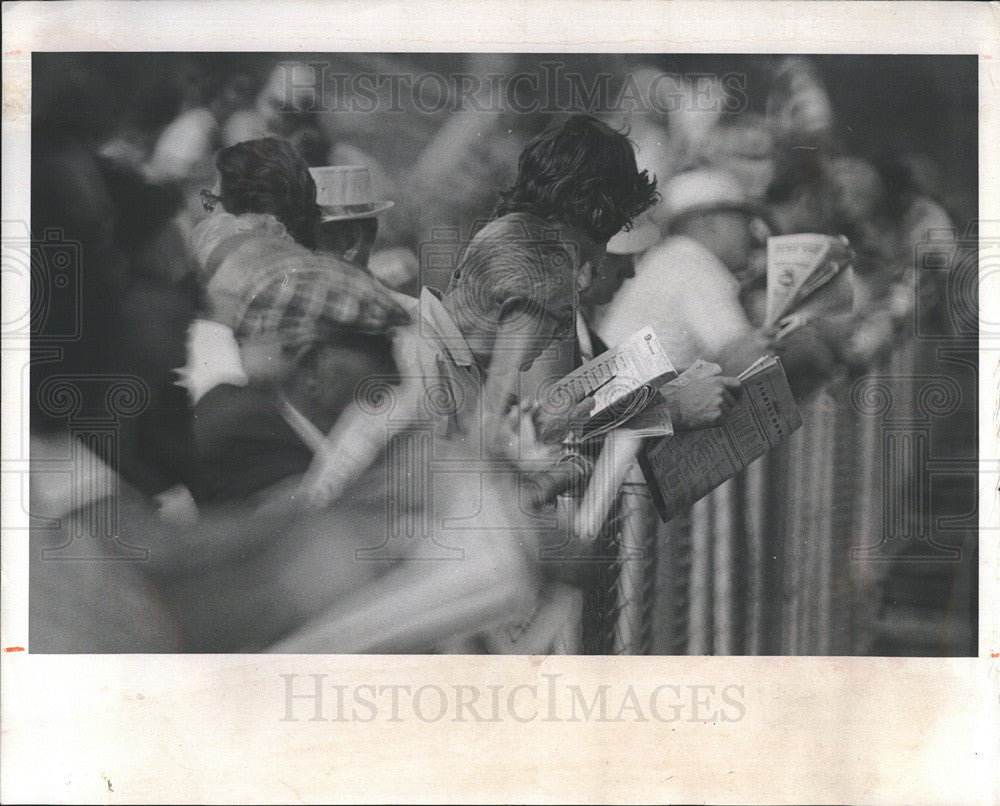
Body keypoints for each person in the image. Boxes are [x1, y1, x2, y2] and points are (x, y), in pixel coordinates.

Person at [597, 168, 838, 397]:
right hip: (632, 423)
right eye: (743, 220)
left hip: (631, 413)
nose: (754, 233)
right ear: (710, 224)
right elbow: (749, 359)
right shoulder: (690, 258)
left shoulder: (671, 257)